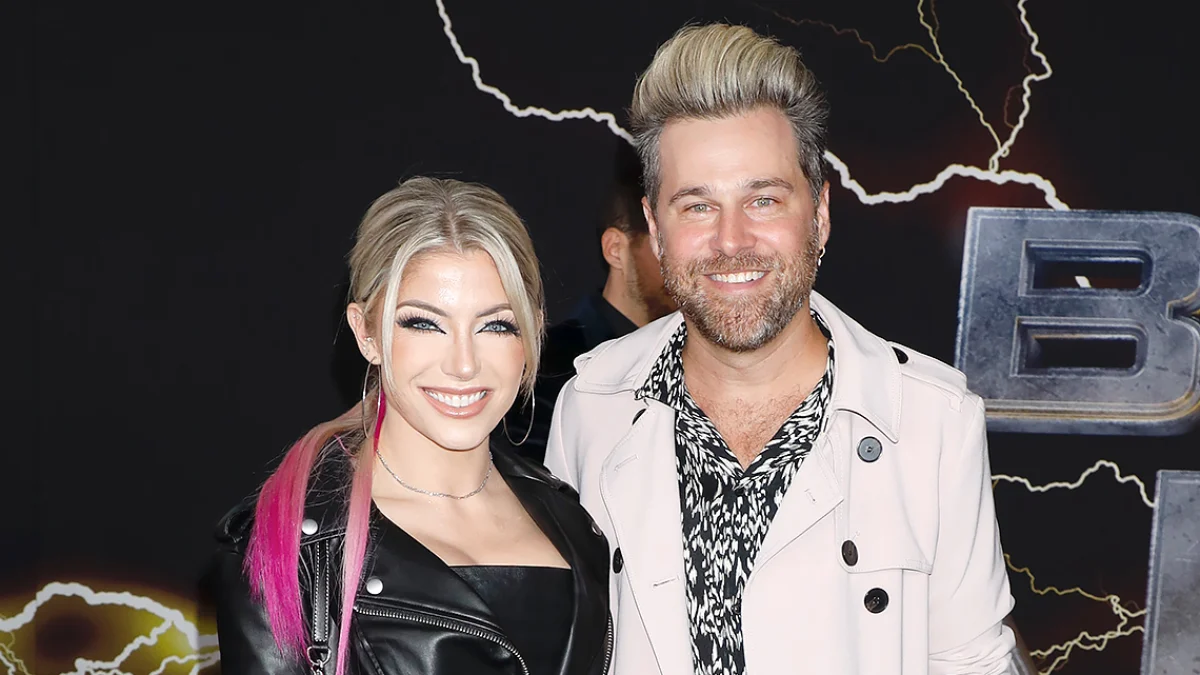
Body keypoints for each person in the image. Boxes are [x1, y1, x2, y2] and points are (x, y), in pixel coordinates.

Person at [546, 24, 1018, 675]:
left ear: (819, 213)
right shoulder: (590, 407)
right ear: (654, 228)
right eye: (697, 206)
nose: (731, 240)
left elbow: (974, 666)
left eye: (763, 199)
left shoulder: (932, 421)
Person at [212, 177, 611, 675]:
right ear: (366, 333)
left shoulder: (577, 522)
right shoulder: (296, 550)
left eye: (496, 325)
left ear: (531, 333)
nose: (464, 364)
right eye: (424, 324)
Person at [496, 143, 676, 463]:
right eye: (662, 243)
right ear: (615, 249)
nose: (678, 259)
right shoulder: (550, 367)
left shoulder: (697, 361)